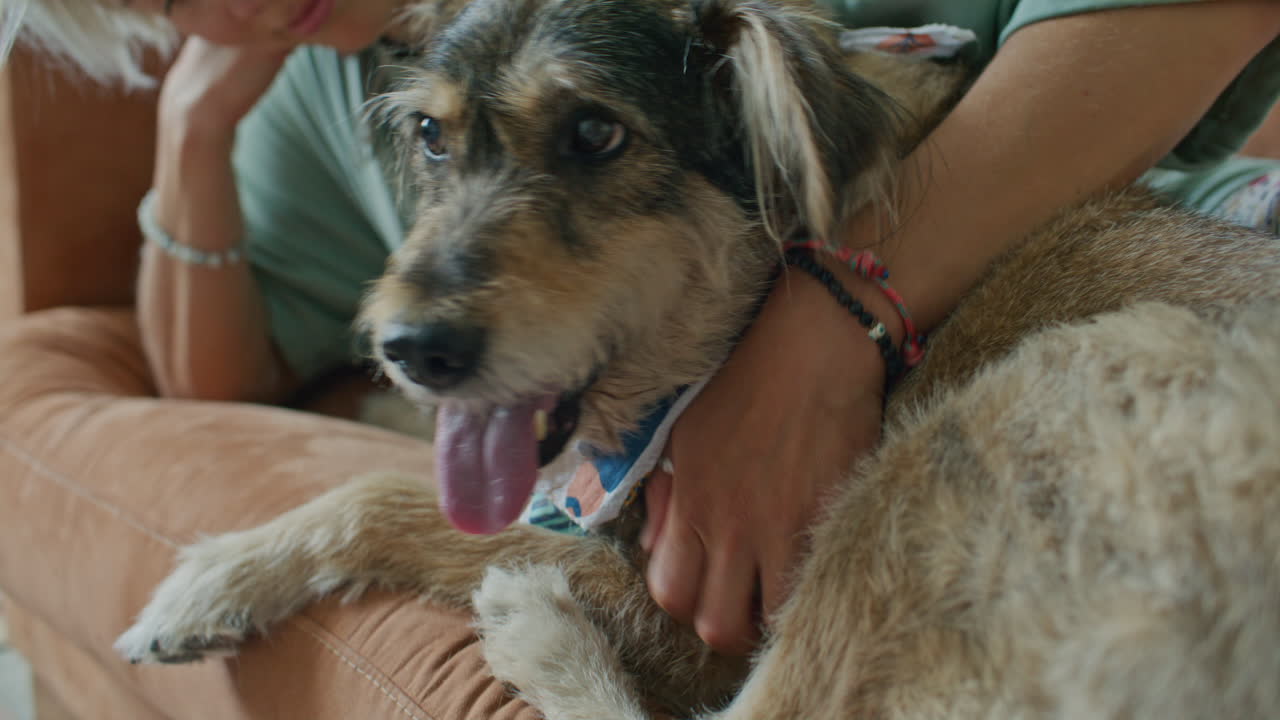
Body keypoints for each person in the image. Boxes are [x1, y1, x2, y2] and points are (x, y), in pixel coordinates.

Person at [4, 0, 1279, 667]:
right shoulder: (325, 94)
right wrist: (192, 131)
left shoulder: (721, 55)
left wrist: (829, 318)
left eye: (589, 138)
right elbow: (208, 382)